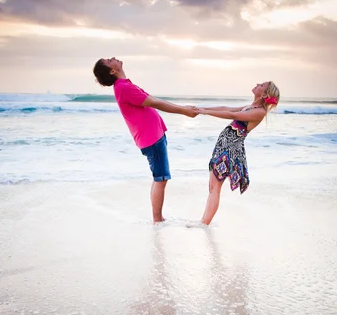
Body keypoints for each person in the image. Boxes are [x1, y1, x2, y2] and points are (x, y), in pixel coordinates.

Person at [93, 57, 198, 223]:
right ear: (112, 71)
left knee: (159, 177)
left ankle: (158, 218)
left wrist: (183, 108)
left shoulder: (125, 85)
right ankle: (158, 220)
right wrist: (183, 111)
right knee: (161, 178)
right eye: (108, 61)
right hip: (151, 138)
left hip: (154, 135)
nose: (112, 58)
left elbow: (154, 100)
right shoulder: (124, 87)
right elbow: (155, 102)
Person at [196, 81, 280, 225]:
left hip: (230, 150)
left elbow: (229, 114)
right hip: (223, 146)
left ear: (265, 94)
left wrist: (205, 112)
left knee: (215, 188)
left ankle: (204, 223)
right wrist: (201, 108)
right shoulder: (250, 107)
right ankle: (203, 221)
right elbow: (226, 108)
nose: (257, 84)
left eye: (261, 85)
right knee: (212, 187)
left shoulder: (259, 112)